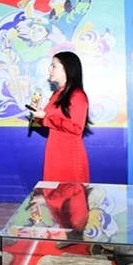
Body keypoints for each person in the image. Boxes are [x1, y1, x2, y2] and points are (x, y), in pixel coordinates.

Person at [28, 51, 91, 183]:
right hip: (54, 151)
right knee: (53, 194)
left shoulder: (77, 95)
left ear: (67, 69)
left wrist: (45, 117)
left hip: (69, 155)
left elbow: (76, 128)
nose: (49, 69)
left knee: (71, 197)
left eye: (54, 66)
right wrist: (36, 114)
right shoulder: (58, 94)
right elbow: (47, 121)